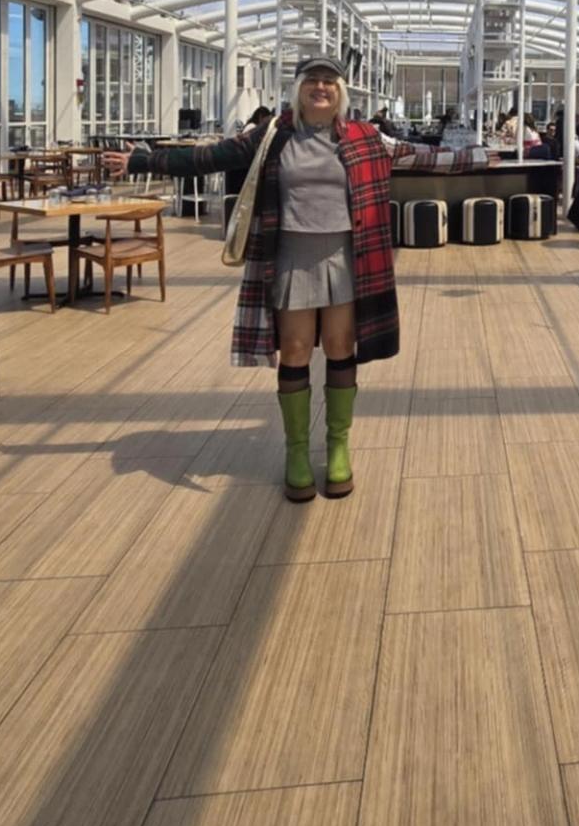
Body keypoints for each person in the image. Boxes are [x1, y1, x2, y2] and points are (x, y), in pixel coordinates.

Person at [103, 56, 418, 503]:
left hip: (347, 257)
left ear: (341, 91)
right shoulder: (273, 134)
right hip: (290, 256)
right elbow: (211, 156)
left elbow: (420, 155)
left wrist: (478, 154)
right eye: (313, 81)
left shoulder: (364, 137)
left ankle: (338, 447)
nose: (321, 88)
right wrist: (143, 160)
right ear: (299, 89)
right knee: (293, 350)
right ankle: (296, 453)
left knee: (340, 348)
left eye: (329, 82)